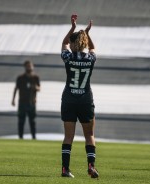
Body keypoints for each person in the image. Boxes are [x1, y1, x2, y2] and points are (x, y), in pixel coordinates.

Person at [60, 14, 99, 179]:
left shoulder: (68, 57)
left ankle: (65, 169)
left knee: (68, 136)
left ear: (73, 43)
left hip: (69, 98)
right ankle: (91, 166)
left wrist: (73, 28)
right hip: (85, 99)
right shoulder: (90, 59)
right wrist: (88, 34)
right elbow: (93, 49)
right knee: (89, 135)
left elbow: (64, 43)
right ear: (84, 42)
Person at [12, 60, 40, 139]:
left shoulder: (35, 77)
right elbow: (16, 88)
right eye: (28, 66)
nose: (29, 67)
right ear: (25, 67)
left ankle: (34, 137)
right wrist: (13, 100)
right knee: (21, 121)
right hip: (22, 103)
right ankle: (20, 137)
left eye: (30, 66)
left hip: (32, 103)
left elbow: (39, 88)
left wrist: (35, 88)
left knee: (32, 121)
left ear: (33, 66)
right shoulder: (20, 78)